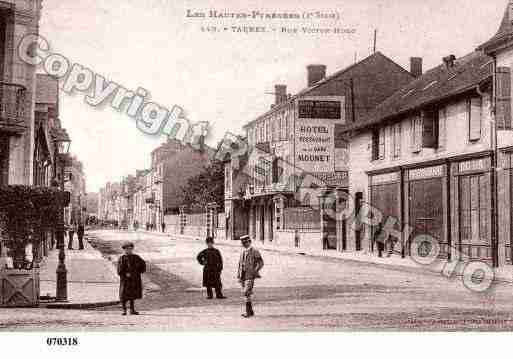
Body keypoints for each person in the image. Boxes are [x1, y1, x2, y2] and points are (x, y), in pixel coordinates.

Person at [237, 235, 264, 318]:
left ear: (249, 242)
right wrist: (239, 275)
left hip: (250, 275)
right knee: (246, 294)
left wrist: (255, 271)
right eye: (243, 243)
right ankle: (250, 311)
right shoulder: (243, 252)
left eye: (246, 242)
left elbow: (261, 263)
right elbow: (240, 264)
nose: (244, 244)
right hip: (243, 275)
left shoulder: (254, 251)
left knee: (246, 292)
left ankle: (248, 312)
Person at [117, 241, 146, 315]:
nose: (129, 250)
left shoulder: (136, 257)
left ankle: (132, 310)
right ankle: (124, 310)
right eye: (127, 249)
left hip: (134, 279)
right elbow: (119, 270)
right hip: (125, 280)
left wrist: (138, 271)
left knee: (132, 295)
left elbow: (143, 264)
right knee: (124, 295)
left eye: (130, 249)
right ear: (124, 250)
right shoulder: (122, 258)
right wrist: (125, 274)